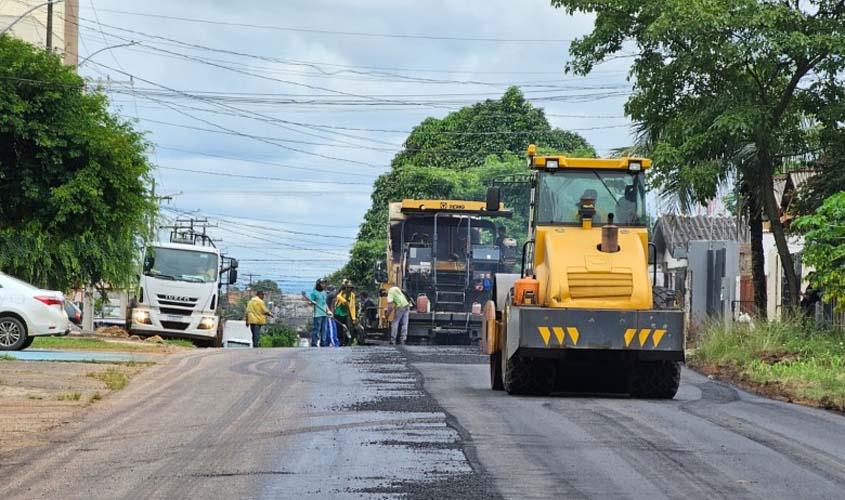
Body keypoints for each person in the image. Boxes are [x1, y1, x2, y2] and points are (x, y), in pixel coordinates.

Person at [305, 279, 330, 347]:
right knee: (316, 329)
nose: (323, 285)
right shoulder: (314, 292)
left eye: (324, 283)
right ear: (318, 284)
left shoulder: (324, 293)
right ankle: (314, 343)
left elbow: (325, 303)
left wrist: (328, 311)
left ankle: (323, 343)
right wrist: (312, 302)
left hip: (324, 313)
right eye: (322, 283)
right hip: (317, 314)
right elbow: (309, 302)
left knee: (324, 329)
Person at [334, 279, 357, 346]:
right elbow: (339, 297)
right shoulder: (341, 294)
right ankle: (340, 342)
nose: (349, 289)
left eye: (351, 288)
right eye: (348, 287)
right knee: (339, 329)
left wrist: (354, 318)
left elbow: (352, 306)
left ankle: (347, 342)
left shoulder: (352, 295)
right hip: (338, 314)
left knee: (348, 328)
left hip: (346, 314)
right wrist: (345, 301)